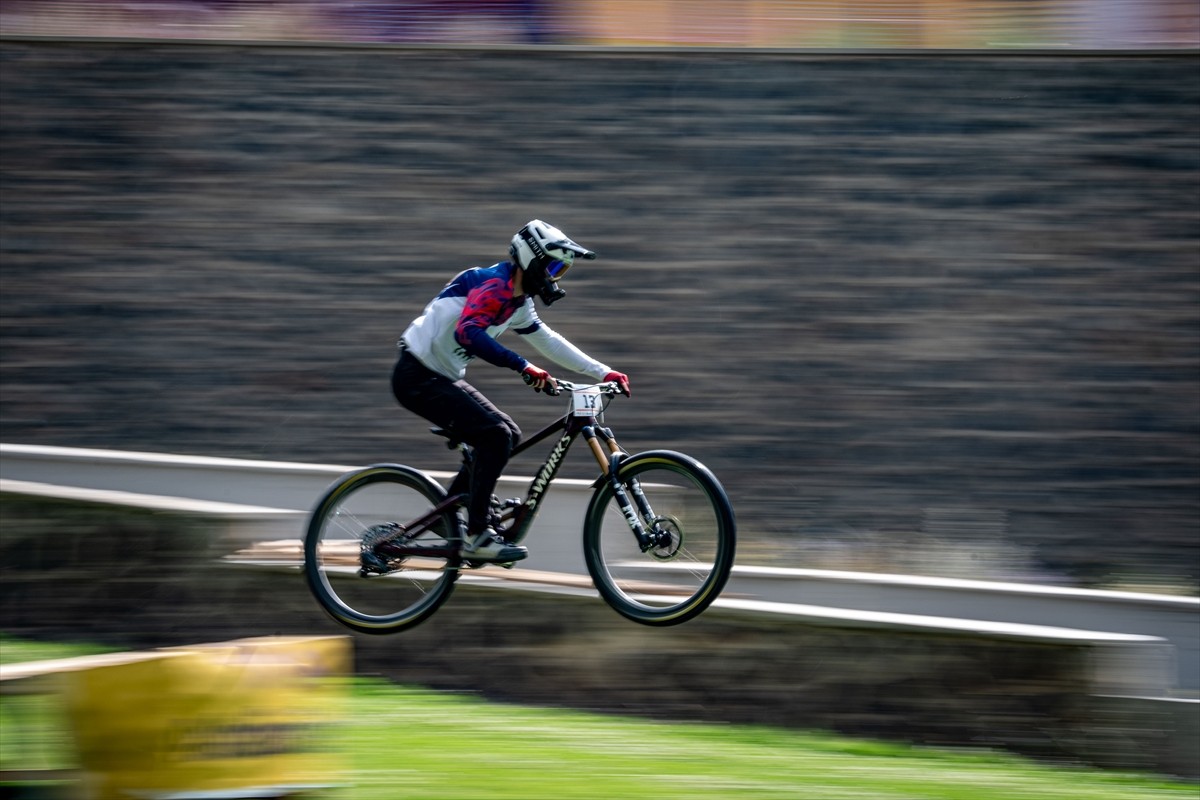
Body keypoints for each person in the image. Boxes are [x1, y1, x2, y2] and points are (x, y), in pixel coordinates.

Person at [392, 220, 631, 565]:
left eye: (561, 271)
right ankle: (477, 535)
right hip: (416, 375)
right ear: (531, 260)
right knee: (495, 435)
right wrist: (522, 366)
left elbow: (548, 341)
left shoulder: (518, 302)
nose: (555, 278)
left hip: (440, 376)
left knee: (508, 433)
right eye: (553, 268)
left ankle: (450, 516)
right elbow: (468, 333)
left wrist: (602, 371)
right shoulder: (494, 285)